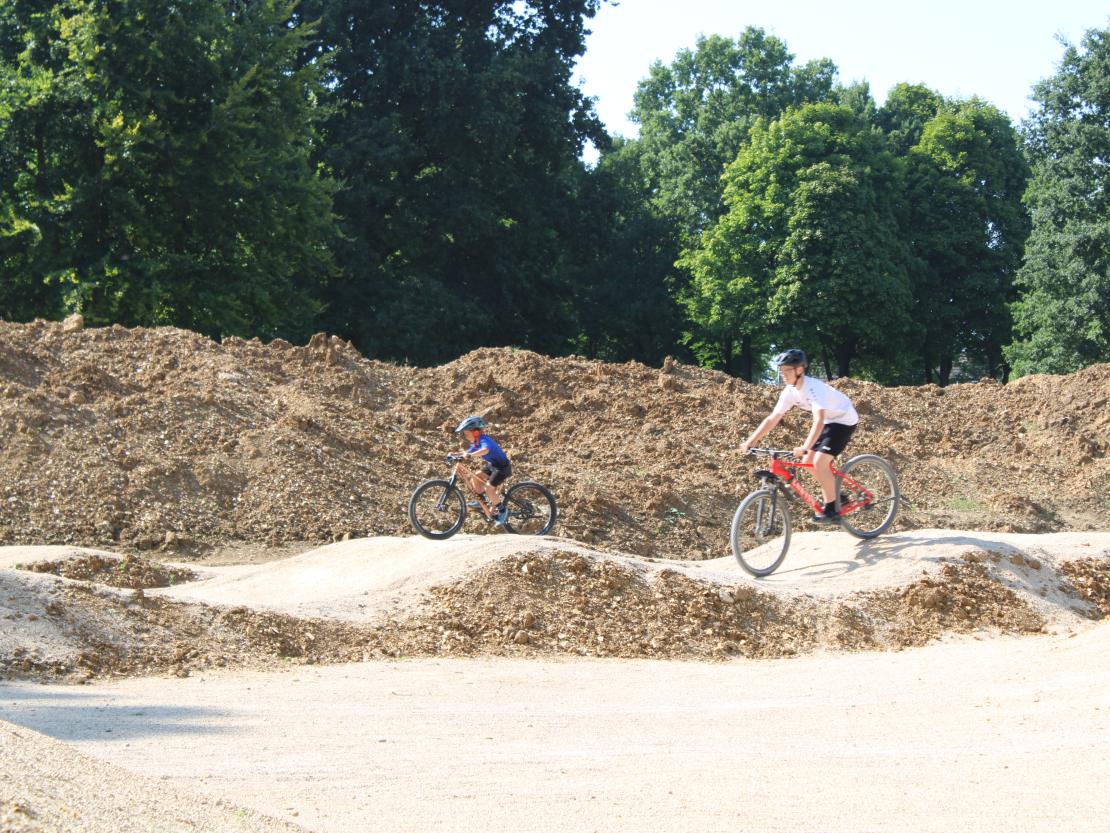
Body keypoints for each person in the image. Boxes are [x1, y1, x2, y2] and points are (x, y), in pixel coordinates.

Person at [738, 349, 859, 523]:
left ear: (800, 370)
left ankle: (832, 508)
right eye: (781, 371)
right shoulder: (789, 391)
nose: (783, 375)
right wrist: (750, 441)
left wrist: (805, 447)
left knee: (819, 462)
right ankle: (838, 495)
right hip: (829, 421)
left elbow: (819, 420)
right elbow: (773, 418)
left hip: (844, 419)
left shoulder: (813, 388)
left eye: (787, 370)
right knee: (807, 462)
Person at [453, 415, 513, 526]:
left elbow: (485, 450)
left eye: (467, 434)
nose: (466, 437)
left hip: (502, 468)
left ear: (476, 432)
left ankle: (503, 511)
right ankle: (481, 502)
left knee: (488, 488)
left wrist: (470, 455)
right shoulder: (476, 442)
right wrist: (454, 454)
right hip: (493, 465)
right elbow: (468, 451)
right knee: (476, 476)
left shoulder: (484, 439)